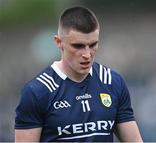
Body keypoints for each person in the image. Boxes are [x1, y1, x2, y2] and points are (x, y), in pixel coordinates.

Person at [15, 6, 143, 142]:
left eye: (93, 45)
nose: (87, 54)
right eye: (78, 46)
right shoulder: (37, 92)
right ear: (58, 42)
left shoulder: (112, 82)